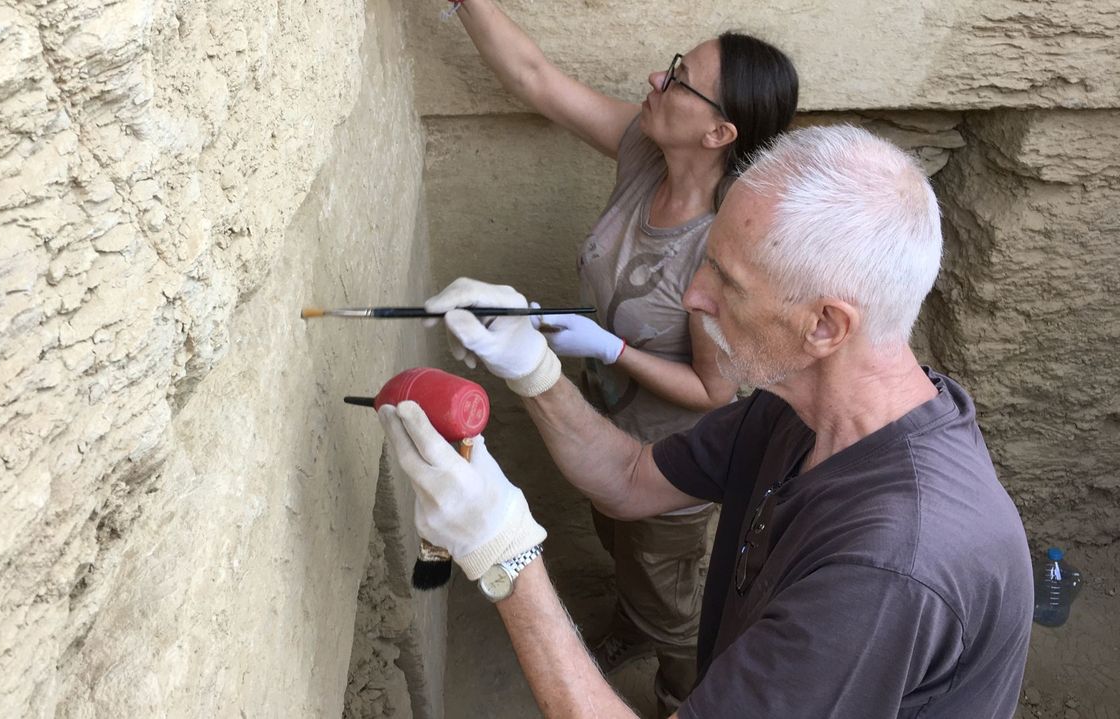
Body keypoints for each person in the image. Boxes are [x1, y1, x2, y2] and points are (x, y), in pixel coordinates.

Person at [379, 125, 1033, 717]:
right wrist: (534, 369)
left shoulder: (890, 566)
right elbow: (631, 478)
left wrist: (504, 556)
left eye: (726, 279)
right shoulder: (797, 406)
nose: (695, 295)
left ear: (826, 325)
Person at [445, 1, 798, 704]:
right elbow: (536, 77)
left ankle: (680, 688)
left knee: (674, 599)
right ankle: (636, 625)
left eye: (679, 78)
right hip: (602, 428)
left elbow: (715, 390)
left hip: (666, 464)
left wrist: (613, 347)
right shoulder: (646, 151)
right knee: (617, 541)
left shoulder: (719, 249)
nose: (655, 79)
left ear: (718, 131)